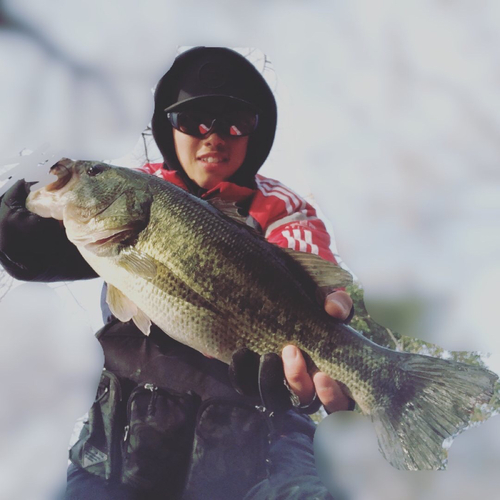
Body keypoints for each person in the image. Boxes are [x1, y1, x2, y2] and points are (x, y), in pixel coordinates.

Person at [0, 47, 353, 499]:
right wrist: (24, 244)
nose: (214, 136)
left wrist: (335, 321)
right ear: (169, 128)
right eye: (194, 121)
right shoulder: (137, 188)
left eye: (235, 122)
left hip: (256, 443)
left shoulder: (286, 211)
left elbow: (316, 282)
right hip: (127, 438)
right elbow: (60, 250)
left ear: (256, 131)